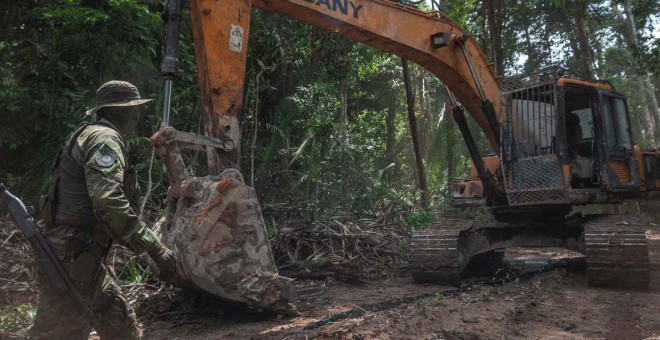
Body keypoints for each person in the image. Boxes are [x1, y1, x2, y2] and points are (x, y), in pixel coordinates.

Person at [31, 80, 176, 339]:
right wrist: (155, 247)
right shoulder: (105, 140)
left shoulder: (91, 134)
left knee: (121, 326)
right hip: (72, 257)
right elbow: (108, 201)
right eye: (135, 110)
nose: (138, 115)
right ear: (122, 112)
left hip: (79, 254)